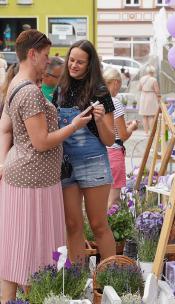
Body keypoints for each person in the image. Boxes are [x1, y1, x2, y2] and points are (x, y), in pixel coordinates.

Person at [0, 29, 91, 303]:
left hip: (23, 177)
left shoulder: (16, 83)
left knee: (16, 249)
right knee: (35, 252)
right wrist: (74, 126)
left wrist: (3, 162)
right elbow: (41, 142)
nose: (48, 61)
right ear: (32, 54)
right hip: (35, 183)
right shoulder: (29, 92)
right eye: (46, 55)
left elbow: (5, 127)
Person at [52, 40, 116, 262]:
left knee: (98, 224)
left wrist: (99, 121)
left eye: (80, 62)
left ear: (90, 65)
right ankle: (78, 281)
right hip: (66, 164)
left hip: (94, 162)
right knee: (72, 224)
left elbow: (110, 139)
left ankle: (110, 279)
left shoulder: (99, 91)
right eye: (71, 60)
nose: (74, 65)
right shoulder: (60, 89)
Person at [103, 68, 138, 208]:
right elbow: (123, 135)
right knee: (113, 200)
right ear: (116, 83)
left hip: (101, 152)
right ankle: (109, 228)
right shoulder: (114, 102)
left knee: (102, 199)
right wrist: (132, 127)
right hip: (114, 152)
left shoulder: (97, 100)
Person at [138, 65, 160, 134]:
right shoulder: (153, 80)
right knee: (151, 116)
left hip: (143, 96)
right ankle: (151, 132)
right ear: (153, 72)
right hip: (151, 97)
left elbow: (139, 88)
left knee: (144, 116)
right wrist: (159, 98)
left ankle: (146, 132)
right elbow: (157, 91)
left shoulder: (142, 79)